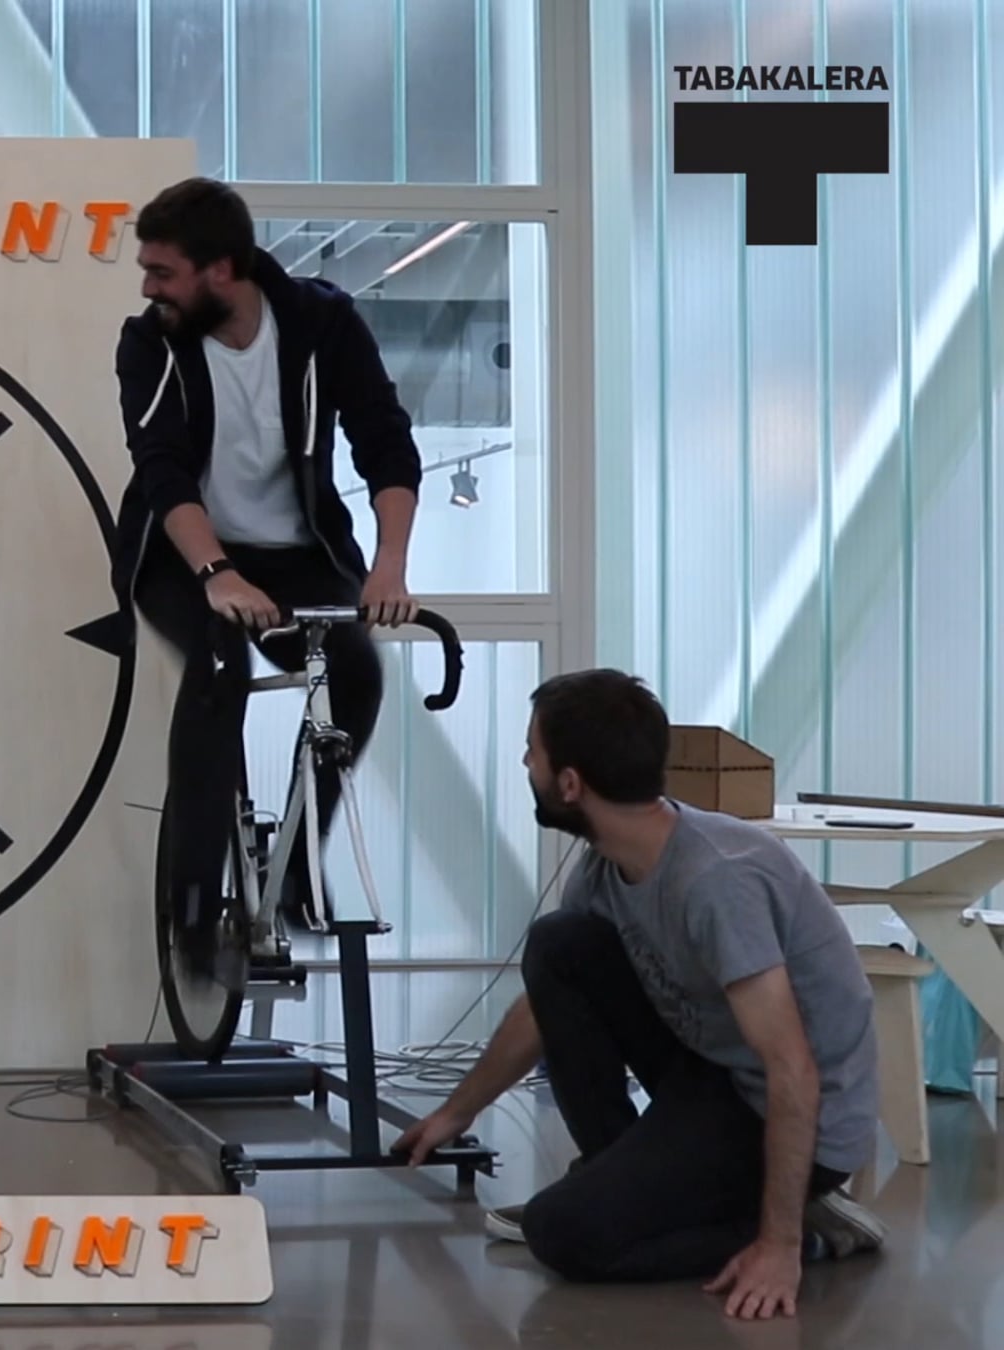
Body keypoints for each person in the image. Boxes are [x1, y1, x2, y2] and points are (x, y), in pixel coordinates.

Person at [395, 668, 888, 1320]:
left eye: (532, 751)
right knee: (559, 943)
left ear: (570, 784)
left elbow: (791, 1069)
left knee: (561, 1233)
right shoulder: (607, 863)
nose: (524, 763)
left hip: (795, 1117)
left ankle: (814, 1228)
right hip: (714, 1074)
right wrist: (456, 1114)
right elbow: (544, 1007)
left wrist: (780, 1245)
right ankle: (620, 1173)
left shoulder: (716, 880)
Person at [111, 176, 424, 968]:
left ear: (221, 270)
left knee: (355, 674)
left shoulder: (323, 323)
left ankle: (296, 868)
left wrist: (389, 567)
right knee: (220, 668)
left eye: (162, 272)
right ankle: (190, 904)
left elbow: (385, 441)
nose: (148, 289)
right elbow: (162, 470)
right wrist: (216, 572)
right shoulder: (149, 344)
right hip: (184, 554)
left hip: (297, 556)